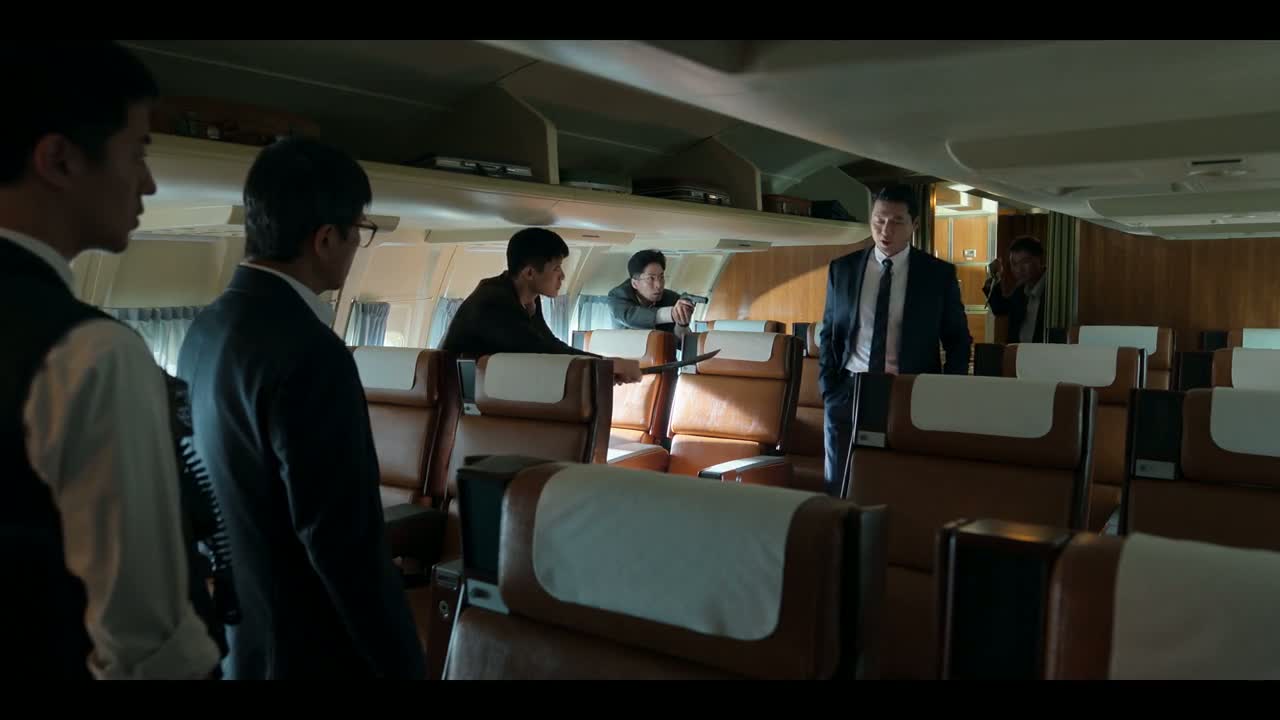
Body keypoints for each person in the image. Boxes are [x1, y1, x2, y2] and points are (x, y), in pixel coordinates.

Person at [0, 42, 222, 679]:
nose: (148, 182)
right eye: (138, 152)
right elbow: (145, 641)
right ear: (60, 159)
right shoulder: (91, 354)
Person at [177, 137, 425, 679]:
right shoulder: (312, 352)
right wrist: (403, 662)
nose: (358, 244)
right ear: (326, 238)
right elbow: (341, 540)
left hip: (241, 639)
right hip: (307, 649)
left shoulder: (204, 330)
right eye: (359, 229)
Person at [818, 184, 972, 496]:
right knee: (838, 485)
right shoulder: (842, 269)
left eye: (897, 221)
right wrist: (829, 387)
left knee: (904, 484)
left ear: (914, 225)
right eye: (879, 220)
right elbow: (830, 332)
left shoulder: (937, 275)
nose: (885, 230)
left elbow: (958, 340)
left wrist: (944, 393)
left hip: (909, 391)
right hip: (849, 389)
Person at [442, 227, 643, 383]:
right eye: (556, 268)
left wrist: (605, 368)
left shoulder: (528, 298)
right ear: (529, 273)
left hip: (487, 389)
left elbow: (549, 343)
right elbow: (540, 351)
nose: (562, 276)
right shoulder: (493, 301)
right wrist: (607, 365)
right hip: (455, 395)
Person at [607, 249, 695, 338]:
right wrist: (671, 314)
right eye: (650, 278)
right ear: (635, 283)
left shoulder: (672, 299)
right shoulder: (618, 296)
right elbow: (631, 317)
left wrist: (682, 324)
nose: (659, 285)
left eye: (661, 277)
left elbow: (681, 340)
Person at [984, 235, 1047, 343]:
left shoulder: (1054, 289)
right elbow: (1000, 309)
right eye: (1014, 264)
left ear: (1040, 259)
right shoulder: (1020, 289)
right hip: (1019, 350)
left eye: (1025, 262)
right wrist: (994, 278)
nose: (1019, 269)